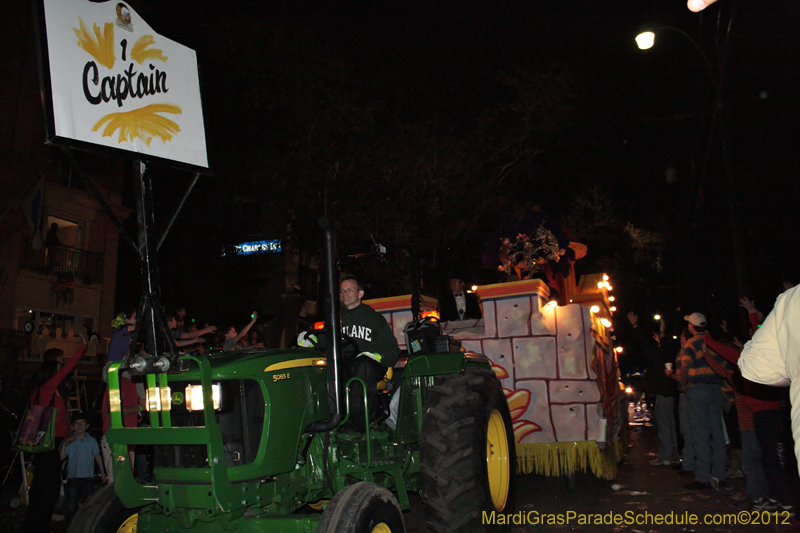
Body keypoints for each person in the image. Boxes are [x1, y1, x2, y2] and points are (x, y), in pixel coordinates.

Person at [738, 287, 800, 513]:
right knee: (771, 458)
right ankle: (778, 497)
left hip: (767, 415)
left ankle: (783, 499)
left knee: (770, 459)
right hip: (772, 414)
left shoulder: (790, 301)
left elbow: (753, 365)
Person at [23, 340, 87, 533]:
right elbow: (68, 368)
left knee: (41, 482)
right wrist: (82, 347)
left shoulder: (38, 391)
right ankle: (40, 523)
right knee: (49, 484)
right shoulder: (49, 387)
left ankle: (34, 521)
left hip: (44, 439)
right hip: (50, 441)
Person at [339, 277, 400, 431]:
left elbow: (393, 349)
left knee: (363, 366)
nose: (344, 293)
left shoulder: (374, 319)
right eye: (342, 291)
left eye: (349, 290)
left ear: (360, 294)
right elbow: (322, 342)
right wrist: (308, 339)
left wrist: (376, 356)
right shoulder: (335, 320)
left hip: (368, 367)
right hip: (342, 364)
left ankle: (359, 425)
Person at [677, 312, 727, 490]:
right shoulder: (713, 343)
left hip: (697, 389)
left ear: (691, 326)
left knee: (700, 434)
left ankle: (702, 477)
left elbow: (685, 365)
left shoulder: (691, 344)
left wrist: (683, 383)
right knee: (717, 433)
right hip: (715, 389)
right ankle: (719, 475)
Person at [628, 313, 679, 465]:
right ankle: (676, 455)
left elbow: (645, 345)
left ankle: (665, 457)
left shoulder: (660, 356)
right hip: (672, 393)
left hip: (664, 394)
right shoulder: (673, 355)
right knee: (673, 426)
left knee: (664, 427)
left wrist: (635, 326)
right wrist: (662, 335)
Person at [60, 411, 106, 526]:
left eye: (82, 423)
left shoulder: (91, 441)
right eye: (76, 423)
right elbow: (61, 457)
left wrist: (103, 473)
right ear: (72, 427)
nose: (80, 426)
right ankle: (71, 526)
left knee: (88, 503)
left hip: (88, 477)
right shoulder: (70, 441)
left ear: (87, 426)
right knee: (71, 505)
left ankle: (87, 525)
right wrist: (64, 444)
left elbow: (97, 456)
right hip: (73, 477)